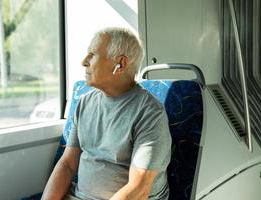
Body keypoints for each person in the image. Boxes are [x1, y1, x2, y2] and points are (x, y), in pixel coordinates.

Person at [41, 27, 172, 200]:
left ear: (120, 65)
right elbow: (67, 164)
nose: (84, 62)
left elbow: (138, 189)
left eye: (92, 54)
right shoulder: (85, 102)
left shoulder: (149, 113)